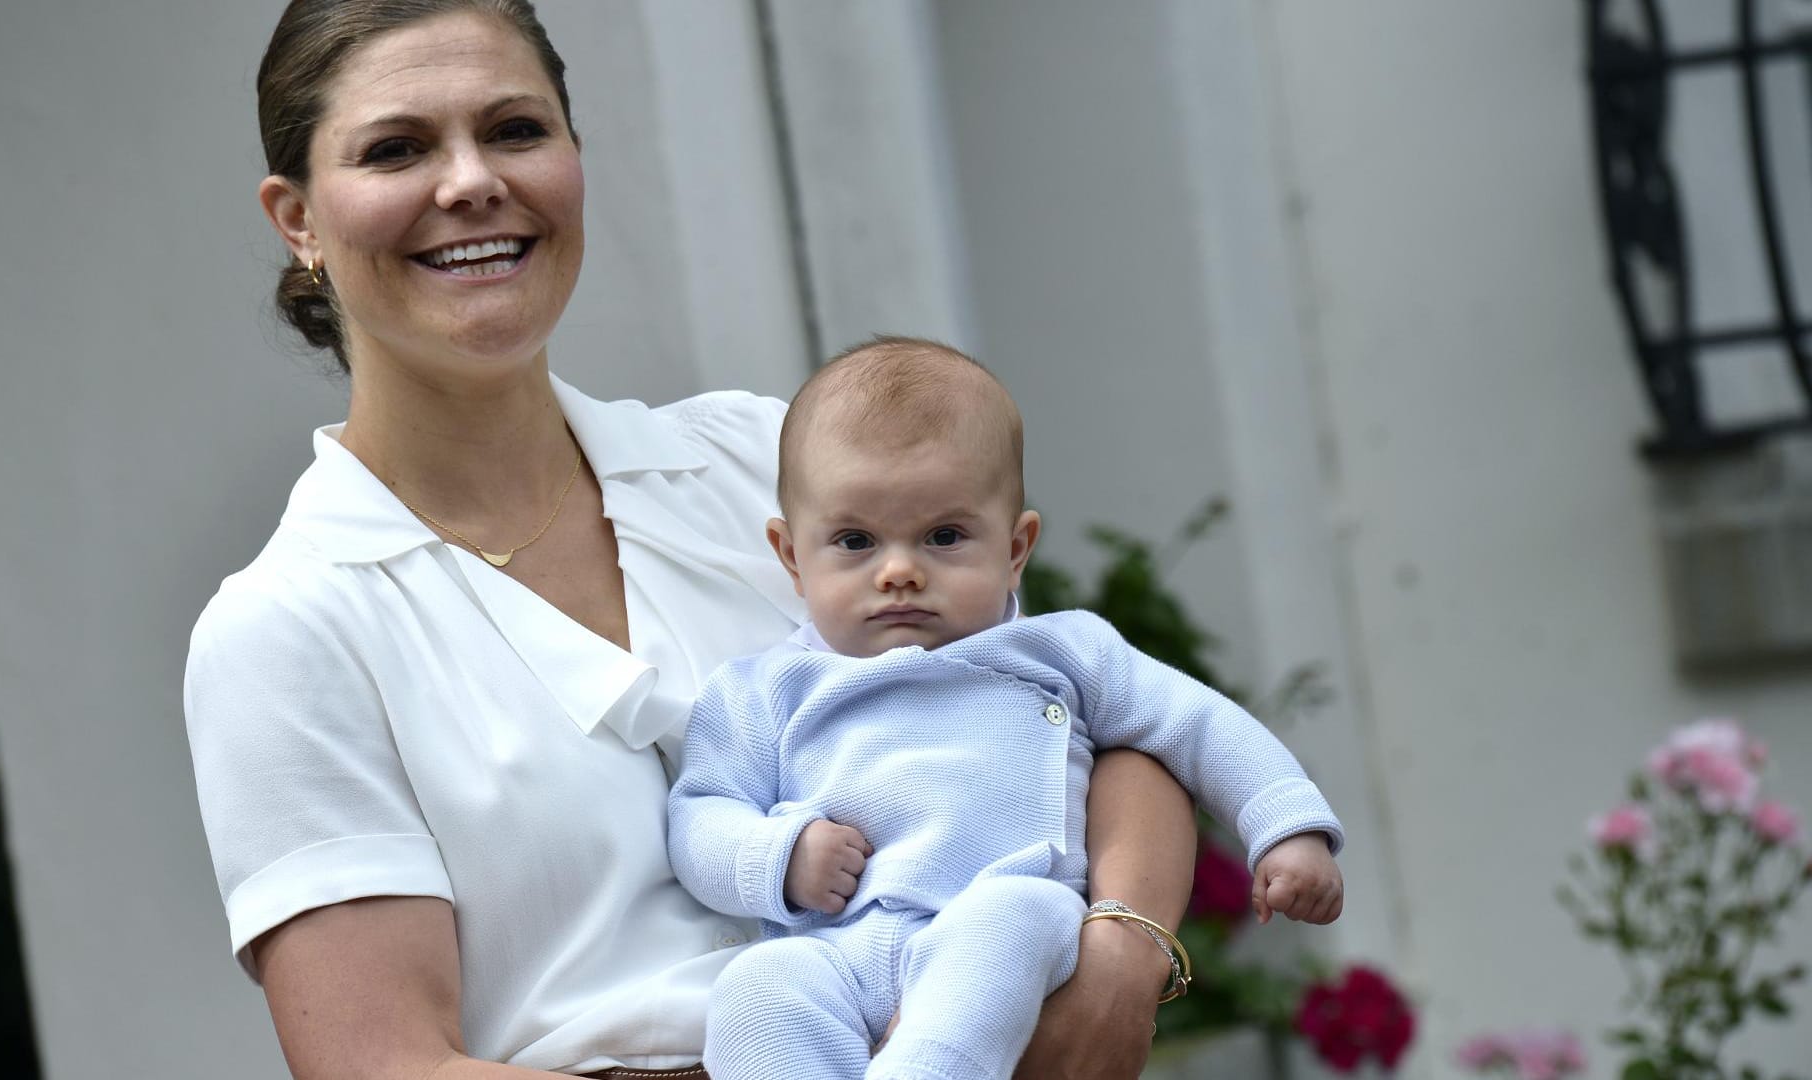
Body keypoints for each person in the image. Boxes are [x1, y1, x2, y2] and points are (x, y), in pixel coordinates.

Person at [183, 3, 1201, 1078]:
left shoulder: (766, 463)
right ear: (296, 218)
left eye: (518, 130)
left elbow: (1080, 717)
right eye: (398, 148)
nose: (472, 180)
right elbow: (382, 1066)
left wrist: (1121, 959)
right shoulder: (289, 631)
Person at [666, 338, 1346, 1080]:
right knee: (757, 990)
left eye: (944, 536)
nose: (899, 571)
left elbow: (1199, 723)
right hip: (838, 948)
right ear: (793, 556)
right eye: (855, 541)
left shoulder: (1064, 653)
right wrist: (779, 855)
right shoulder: (762, 690)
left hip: (999, 916)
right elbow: (702, 814)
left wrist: (1287, 828)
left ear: (1016, 547)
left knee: (1010, 923)